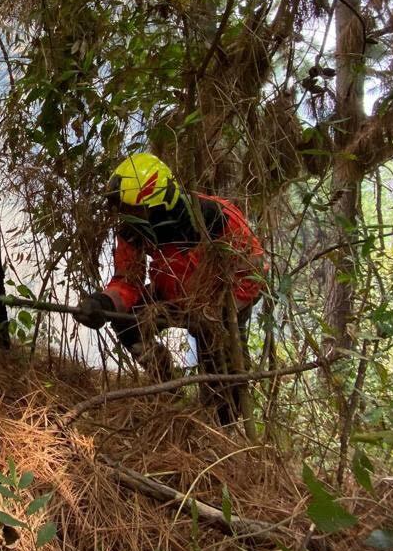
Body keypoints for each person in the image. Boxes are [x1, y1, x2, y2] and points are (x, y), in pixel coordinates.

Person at [74, 153, 266, 424]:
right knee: (126, 321)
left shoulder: (215, 217)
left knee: (221, 382)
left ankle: (224, 429)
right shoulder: (133, 231)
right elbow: (127, 283)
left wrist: (218, 311)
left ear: (158, 203)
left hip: (220, 306)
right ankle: (164, 379)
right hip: (170, 295)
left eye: (133, 209)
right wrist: (103, 304)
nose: (127, 217)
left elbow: (253, 272)